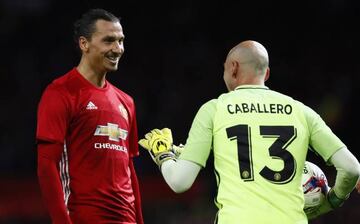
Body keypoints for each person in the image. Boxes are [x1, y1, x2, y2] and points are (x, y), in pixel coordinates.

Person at [139, 40, 360, 223]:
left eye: (224, 68)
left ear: (233, 67)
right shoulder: (301, 111)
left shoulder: (215, 109)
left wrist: (164, 155)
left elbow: (180, 182)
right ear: (267, 73)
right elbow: (351, 168)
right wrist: (334, 200)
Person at [36, 8, 143, 224]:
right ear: (84, 44)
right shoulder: (60, 92)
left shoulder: (126, 102)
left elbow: (129, 171)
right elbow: (47, 166)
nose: (118, 49)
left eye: (121, 41)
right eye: (109, 41)